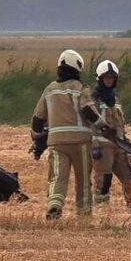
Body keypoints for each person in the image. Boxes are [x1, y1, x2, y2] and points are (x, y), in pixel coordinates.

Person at [30, 50, 104, 220]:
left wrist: (37, 137)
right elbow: (88, 110)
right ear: (77, 68)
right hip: (81, 143)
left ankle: (54, 205)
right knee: (83, 180)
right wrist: (103, 126)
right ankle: (84, 214)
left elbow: (37, 118)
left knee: (58, 177)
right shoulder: (80, 88)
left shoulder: (49, 90)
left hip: (56, 143)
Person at [90, 60, 131, 205]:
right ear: (100, 79)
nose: (109, 80)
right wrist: (94, 145)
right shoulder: (93, 98)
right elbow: (89, 123)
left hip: (120, 145)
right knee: (103, 181)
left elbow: (120, 122)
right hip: (102, 147)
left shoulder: (116, 98)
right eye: (106, 77)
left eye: (112, 78)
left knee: (130, 177)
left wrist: (126, 141)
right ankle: (102, 210)